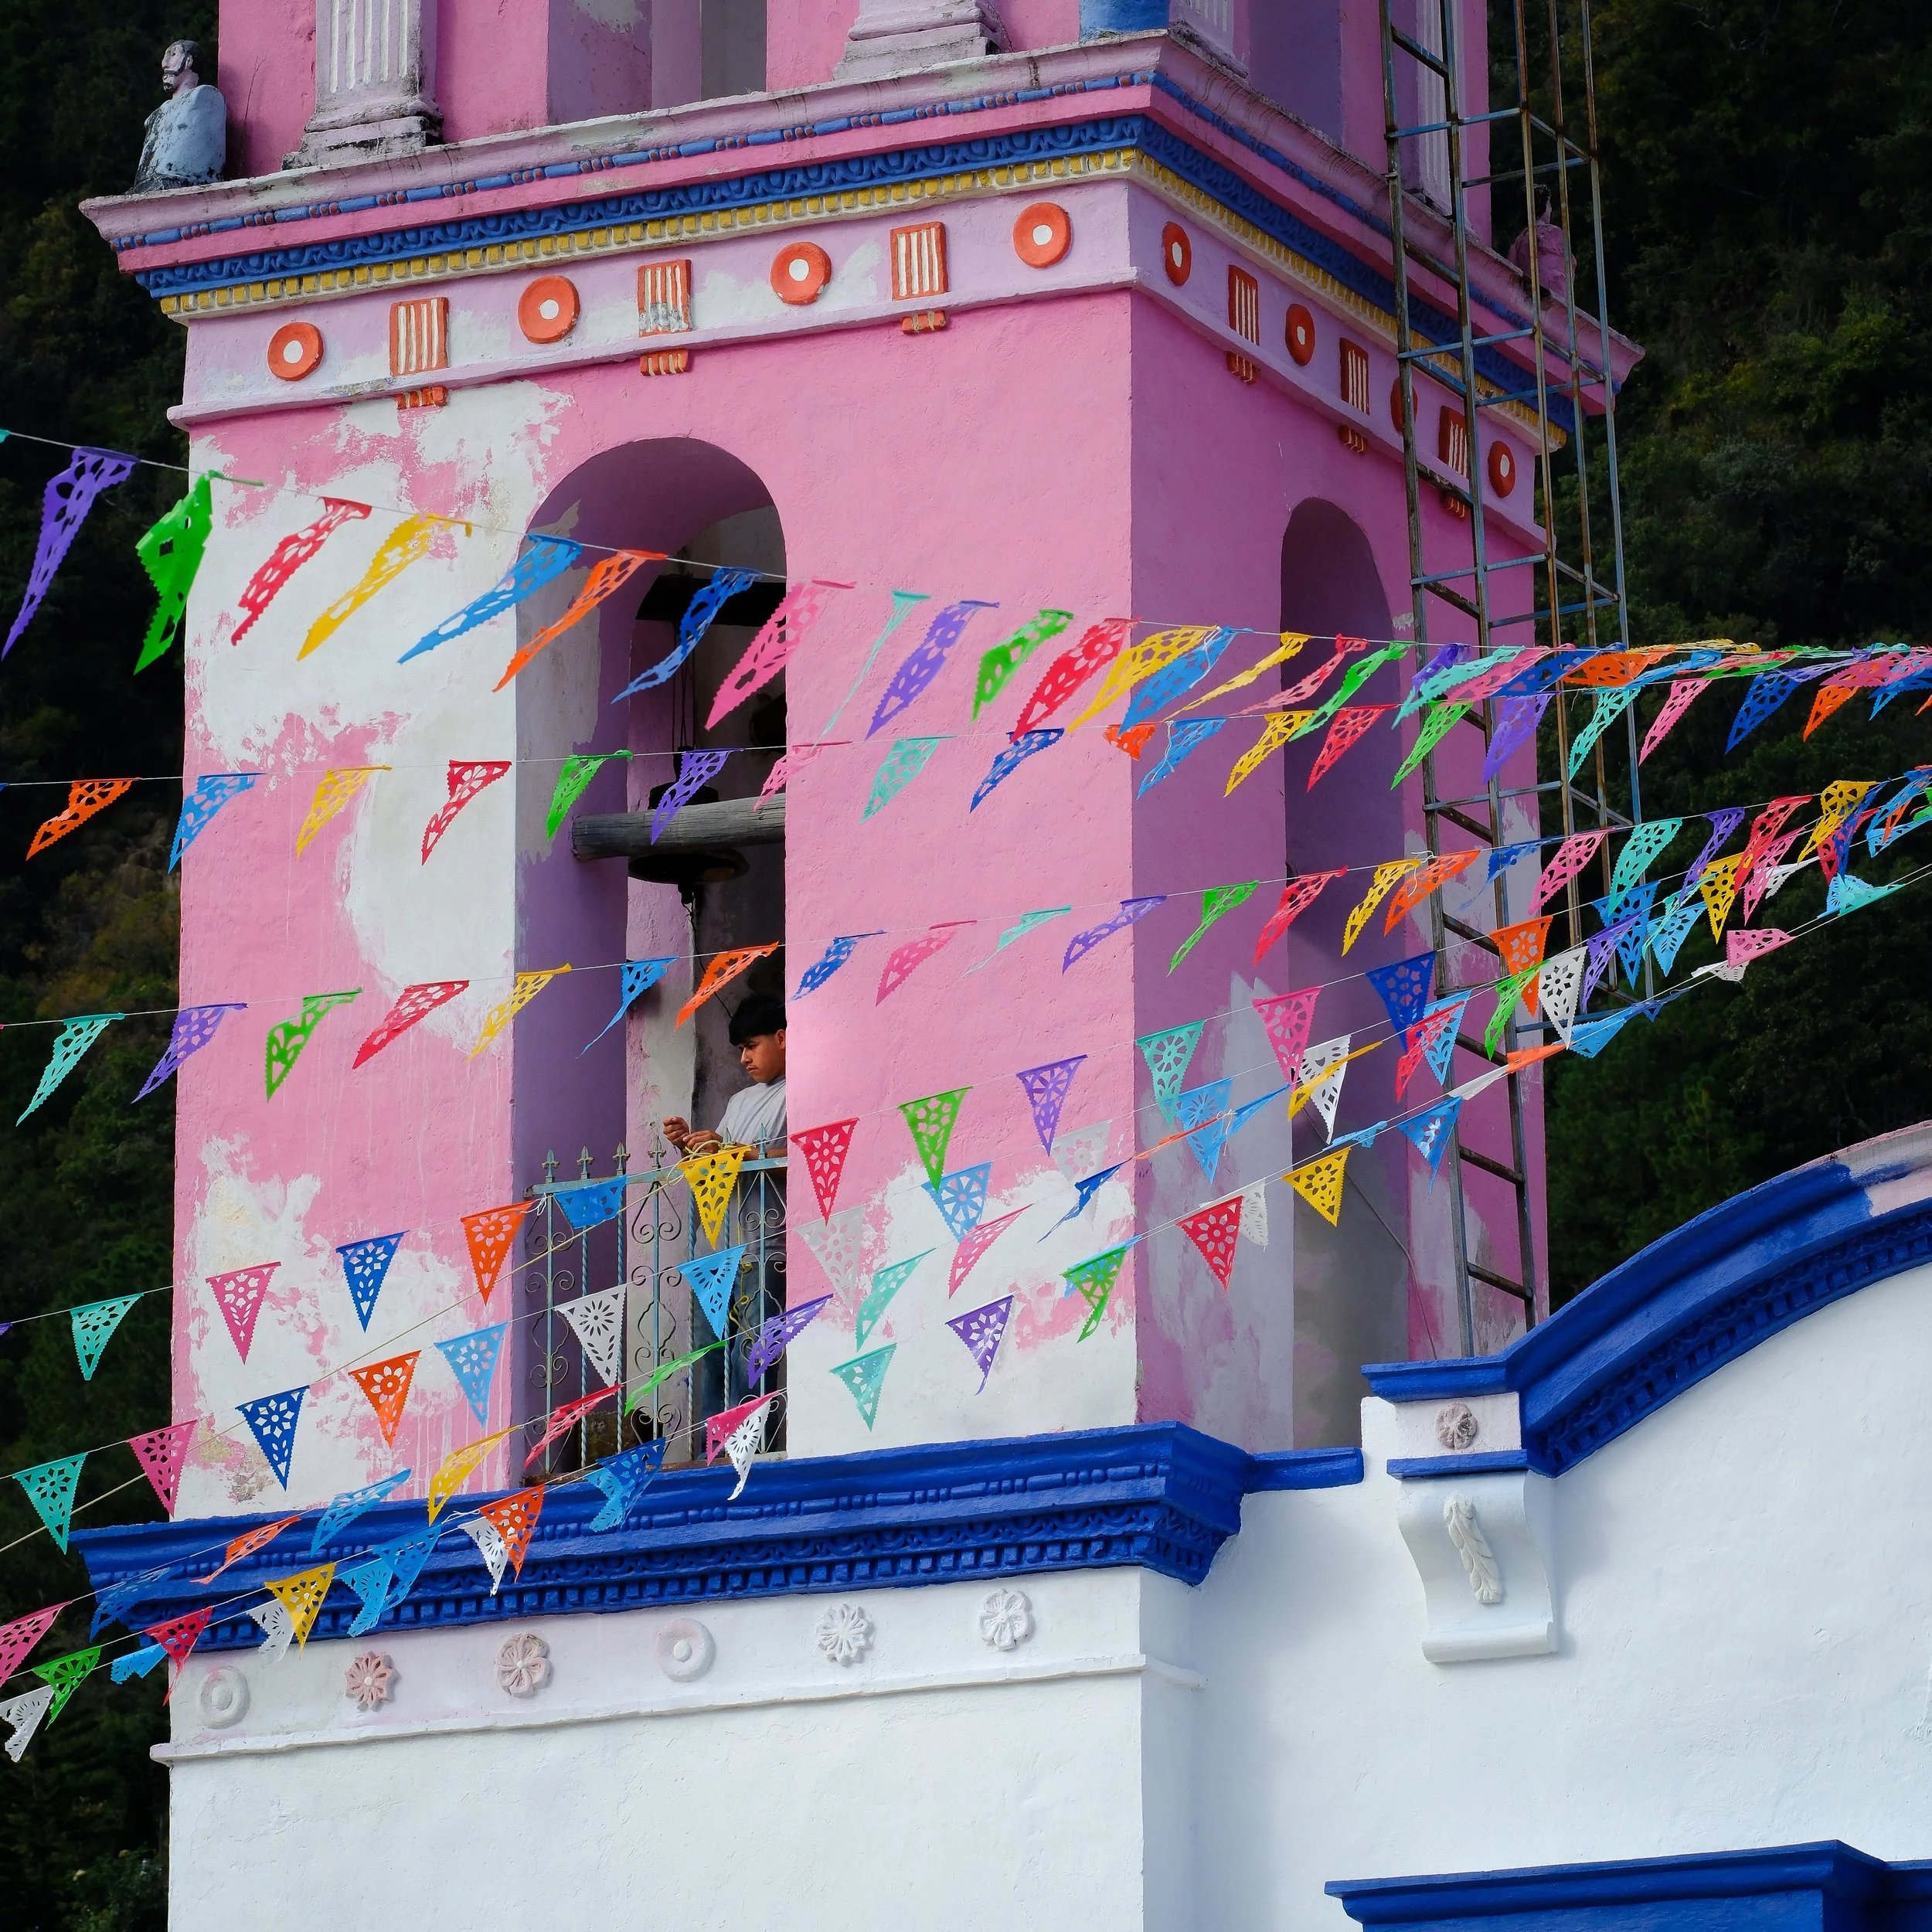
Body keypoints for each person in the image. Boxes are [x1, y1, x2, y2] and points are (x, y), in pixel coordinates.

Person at [663, 994, 786, 1157]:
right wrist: (687, 1145)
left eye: (751, 1046)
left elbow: (809, 1160)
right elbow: (708, 1175)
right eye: (741, 1049)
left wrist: (730, 1150)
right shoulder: (739, 1101)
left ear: (781, 1039)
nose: (744, 1059)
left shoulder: (800, 1092)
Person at [132, 40, 227, 192]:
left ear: (189, 60)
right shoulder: (156, 115)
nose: (165, 63)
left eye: (173, 54)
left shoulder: (205, 96)